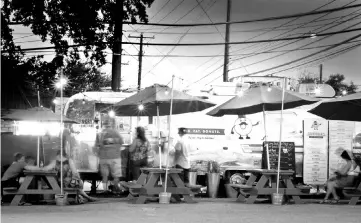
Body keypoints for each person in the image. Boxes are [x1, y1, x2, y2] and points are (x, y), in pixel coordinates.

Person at [95, 119, 124, 194]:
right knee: (116, 175)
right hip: (115, 157)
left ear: (103, 124)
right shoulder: (116, 133)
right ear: (112, 124)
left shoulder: (100, 134)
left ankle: (105, 190)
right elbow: (122, 143)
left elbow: (96, 146)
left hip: (103, 157)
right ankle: (116, 189)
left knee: (105, 175)